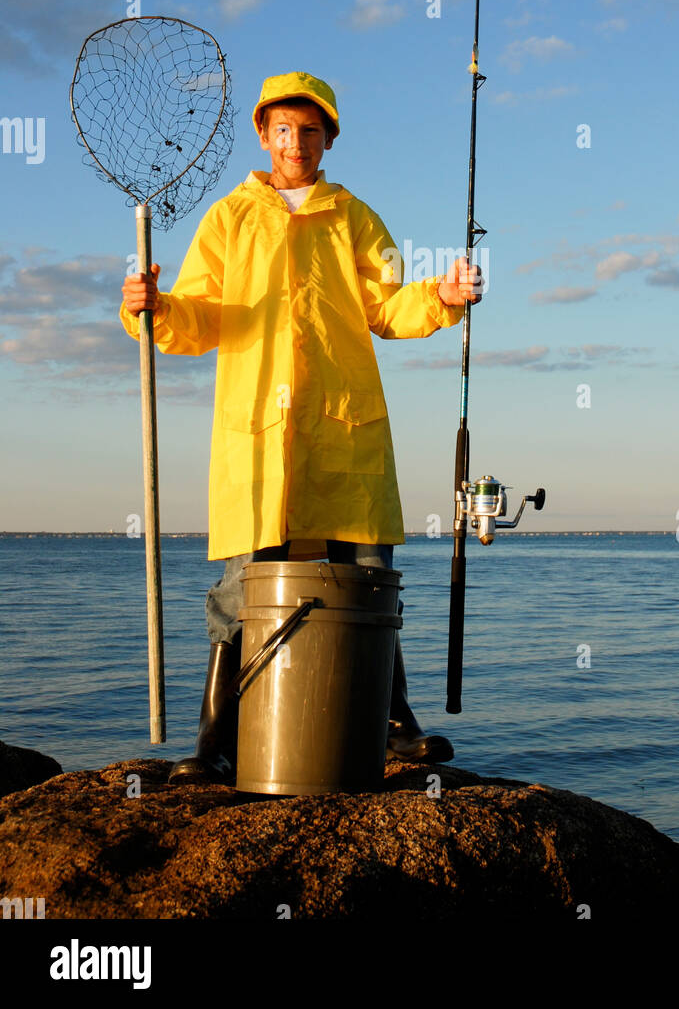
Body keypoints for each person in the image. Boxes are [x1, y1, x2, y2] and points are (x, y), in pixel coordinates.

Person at [119, 70, 482, 783]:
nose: (296, 142)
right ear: (263, 134)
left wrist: (441, 295)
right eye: (282, 129)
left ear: (329, 139)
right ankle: (218, 741)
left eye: (309, 130)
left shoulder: (354, 217)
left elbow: (389, 306)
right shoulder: (229, 217)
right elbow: (199, 315)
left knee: (368, 578)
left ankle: (394, 725)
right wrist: (151, 306)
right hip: (256, 435)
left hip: (346, 429)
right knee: (240, 589)